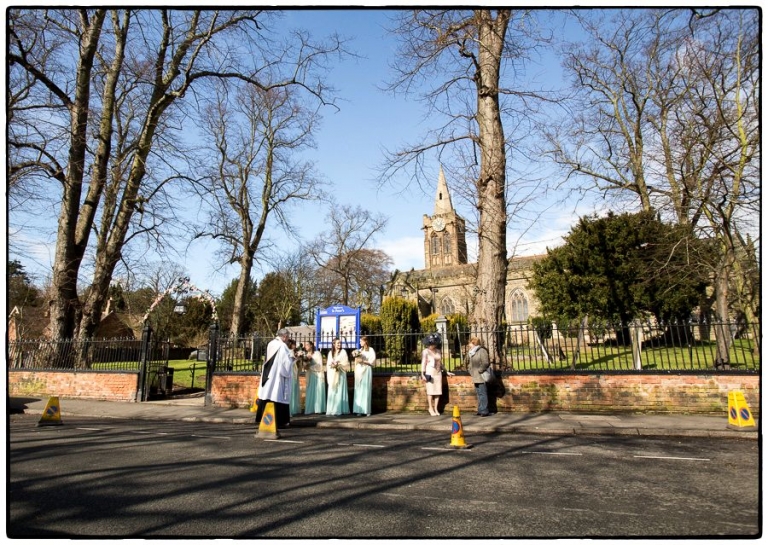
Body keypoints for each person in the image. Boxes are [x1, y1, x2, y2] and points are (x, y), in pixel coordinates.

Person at [255, 328, 294, 429]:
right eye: (288, 336)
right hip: (277, 375)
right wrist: (293, 359)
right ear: (284, 336)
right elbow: (285, 364)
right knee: (277, 394)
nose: (288, 339)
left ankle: (262, 418)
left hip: (268, 373)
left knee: (267, 393)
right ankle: (280, 421)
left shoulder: (271, 343)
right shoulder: (282, 346)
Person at [420, 334, 454, 416]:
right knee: (430, 392)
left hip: (438, 373)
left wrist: (446, 371)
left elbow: (440, 363)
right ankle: (430, 408)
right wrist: (422, 374)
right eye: (431, 344)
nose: (433, 345)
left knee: (438, 391)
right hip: (430, 372)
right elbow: (423, 363)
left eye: (434, 344)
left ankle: (436, 408)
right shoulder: (425, 351)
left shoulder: (438, 351)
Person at [466, 337, 492, 417]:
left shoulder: (482, 351)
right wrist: (469, 369)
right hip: (474, 375)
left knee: (483, 393)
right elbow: (467, 362)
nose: (468, 344)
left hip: (481, 375)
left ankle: (484, 410)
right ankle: (480, 409)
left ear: (474, 343)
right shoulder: (471, 352)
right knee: (479, 393)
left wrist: (480, 370)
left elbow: (485, 362)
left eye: (470, 343)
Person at [352, 335, 376, 416]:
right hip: (359, 371)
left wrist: (363, 361)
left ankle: (366, 410)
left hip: (366, 370)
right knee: (359, 390)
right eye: (360, 341)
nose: (360, 342)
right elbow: (357, 361)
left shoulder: (371, 350)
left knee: (366, 389)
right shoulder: (359, 350)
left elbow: (372, 361)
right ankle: (359, 410)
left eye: (361, 341)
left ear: (365, 341)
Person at [325, 337, 350, 416]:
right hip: (333, 374)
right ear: (334, 344)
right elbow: (328, 363)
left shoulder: (343, 352)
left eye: (340, 343)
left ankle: (340, 409)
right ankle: (332, 409)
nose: (339, 344)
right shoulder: (330, 353)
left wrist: (339, 365)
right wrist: (332, 365)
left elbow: (346, 362)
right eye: (337, 343)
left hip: (340, 374)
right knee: (333, 392)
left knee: (339, 391)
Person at [303, 341, 326, 414]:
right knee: (310, 391)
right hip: (310, 375)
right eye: (305, 345)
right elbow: (304, 366)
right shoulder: (305, 355)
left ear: (311, 346)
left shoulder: (317, 353)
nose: (306, 346)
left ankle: (318, 408)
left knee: (318, 391)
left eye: (307, 345)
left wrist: (310, 366)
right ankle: (311, 408)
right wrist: (306, 365)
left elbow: (320, 365)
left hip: (317, 374)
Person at [286, 339, 301, 416]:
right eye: (293, 344)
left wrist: (298, 359)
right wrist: (296, 359)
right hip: (291, 373)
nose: (295, 346)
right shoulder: (289, 351)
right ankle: (290, 409)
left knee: (294, 390)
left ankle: (293, 408)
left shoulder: (293, 352)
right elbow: (290, 362)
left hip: (294, 373)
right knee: (291, 390)